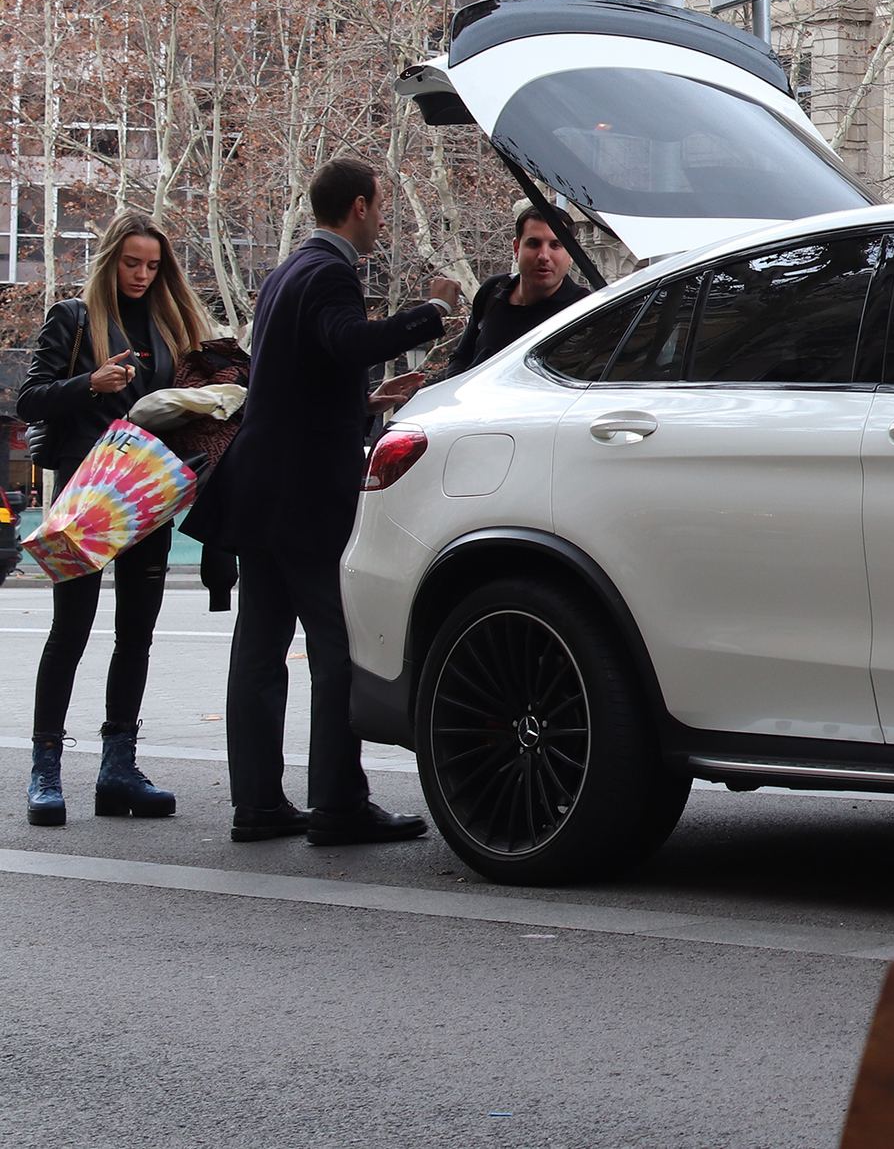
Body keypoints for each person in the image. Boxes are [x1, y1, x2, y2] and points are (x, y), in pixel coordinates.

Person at [183, 158, 461, 846]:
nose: (383, 220)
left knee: (259, 649)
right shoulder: (332, 271)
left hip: (260, 489)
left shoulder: (285, 272)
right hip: (308, 497)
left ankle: (257, 803)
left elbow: (298, 374)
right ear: (360, 205)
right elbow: (346, 340)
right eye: (381, 206)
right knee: (337, 646)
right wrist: (433, 310)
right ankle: (337, 802)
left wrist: (363, 399)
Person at [18, 214, 215, 826]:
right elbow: (29, 398)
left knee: (137, 633)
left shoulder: (170, 325)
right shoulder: (73, 317)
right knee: (71, 630)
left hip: (144, 494)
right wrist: (90, 383)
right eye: (132, 262)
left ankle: (117, 768)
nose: (141, 274)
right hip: (85, 496)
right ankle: (46, 768)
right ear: (110, 260)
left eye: (152, 265)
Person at [434, 205, 589, 382]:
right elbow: (461, 357)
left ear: (571, 254)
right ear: (516, 248)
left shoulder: (584, 311)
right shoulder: (493, 289)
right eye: (533, 244)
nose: (544, 255)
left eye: (556, 245)